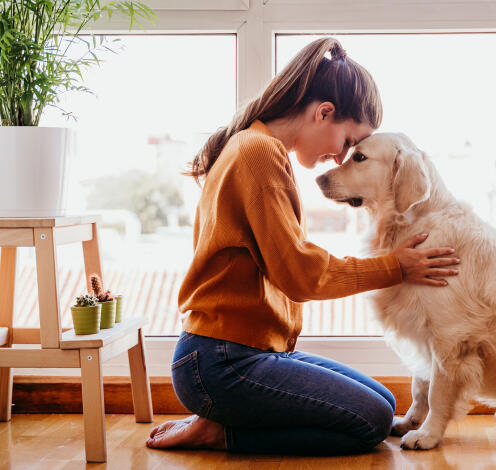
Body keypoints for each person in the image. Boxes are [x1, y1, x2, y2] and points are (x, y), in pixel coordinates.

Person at [145, 37, 459, 455]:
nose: (340, 158)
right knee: (371, 422)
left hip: (242, 354)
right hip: (221, 362)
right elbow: (300, 274)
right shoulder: (258, 154)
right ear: (323, 112)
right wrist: (395, 266)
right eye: (348, 142)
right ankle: (221, 431)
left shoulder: (257, 147)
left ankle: (222, 416)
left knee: (384, 403)